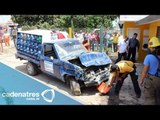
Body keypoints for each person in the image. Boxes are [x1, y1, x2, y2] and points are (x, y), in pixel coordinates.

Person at [140, 37, 160, 105]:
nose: (150, 49)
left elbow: (144, 71)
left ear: (153, 48)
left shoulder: (148, 57)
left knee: (150, 99)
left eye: (151, 47)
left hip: (152, 80)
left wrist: (142, 80)